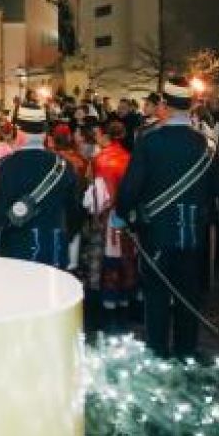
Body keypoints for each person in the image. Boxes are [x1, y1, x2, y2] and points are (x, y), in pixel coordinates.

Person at [117, 78, 219, 358]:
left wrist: (122, 214)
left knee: (156, 296)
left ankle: (157, 353)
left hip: (156, 231)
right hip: (193, 232)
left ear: (164, 104)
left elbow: (130, 188)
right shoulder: (207, 144)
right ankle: (185, 353)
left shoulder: (149, 141)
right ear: (191, 106)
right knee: (187, 294)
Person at [0, 104, 83, 269]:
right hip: (54, 251)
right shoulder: (64, 166)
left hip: (17, 254)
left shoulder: (5, 166)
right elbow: (74, 214)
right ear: (44, 134)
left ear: (19, 133)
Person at [79, 121, 134, 333]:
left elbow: (95, 200)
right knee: (125, 261)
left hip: (107, 220)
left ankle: (108, 313)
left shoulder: (100, 160)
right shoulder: (128, 157)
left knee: (107, 265)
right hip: (125, 217)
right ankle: (124, 306)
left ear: (103, 135)